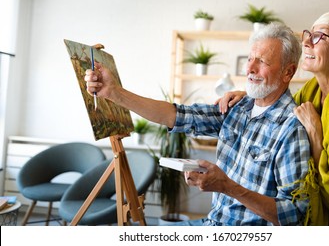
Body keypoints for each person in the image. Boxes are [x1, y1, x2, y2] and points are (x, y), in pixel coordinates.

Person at [85, 22, 311, 226]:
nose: (250, 69)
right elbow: (176, 115)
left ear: (288, 72)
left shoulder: (291, 129)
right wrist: (115, 93)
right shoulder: (238, 107)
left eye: (262, 61)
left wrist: (228, 187)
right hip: (212, 223)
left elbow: (293, 214)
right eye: (250, 58)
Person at [216, 9, 329, 225]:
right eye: (310, 33)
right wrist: (251, 94)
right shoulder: (312, 90)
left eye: (319, 37)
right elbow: (280, 106)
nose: (306, 42)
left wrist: (316, 136)